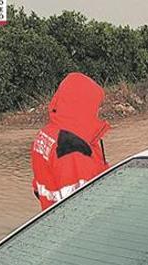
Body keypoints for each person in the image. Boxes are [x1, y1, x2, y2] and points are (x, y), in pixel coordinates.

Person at [31, 72, 110, 210]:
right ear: (84, 104)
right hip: (74, 225)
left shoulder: (46, 134)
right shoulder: (72, 148)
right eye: (96, 106)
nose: (98, 111)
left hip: (51, 218)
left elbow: (38, 188)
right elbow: (83, 205)